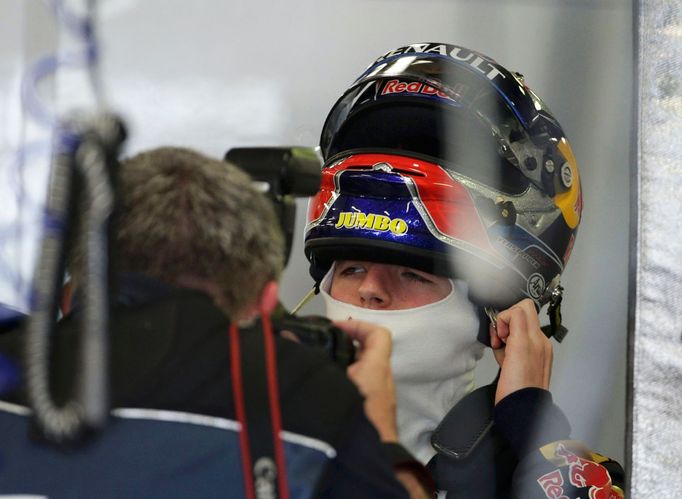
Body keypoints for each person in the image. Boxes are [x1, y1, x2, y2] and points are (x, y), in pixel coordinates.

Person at [0, 147, 431, 498]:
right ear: (265, 304)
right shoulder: (311, 403)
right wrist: (381, 438)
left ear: (70, 296)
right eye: (353, 269)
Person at [300, 43, 625, 497]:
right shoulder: (244, 438)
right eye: (352, 268)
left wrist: (529, 430)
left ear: (500, 321)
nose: (371, 290)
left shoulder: (559, 473)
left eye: (414, 274)